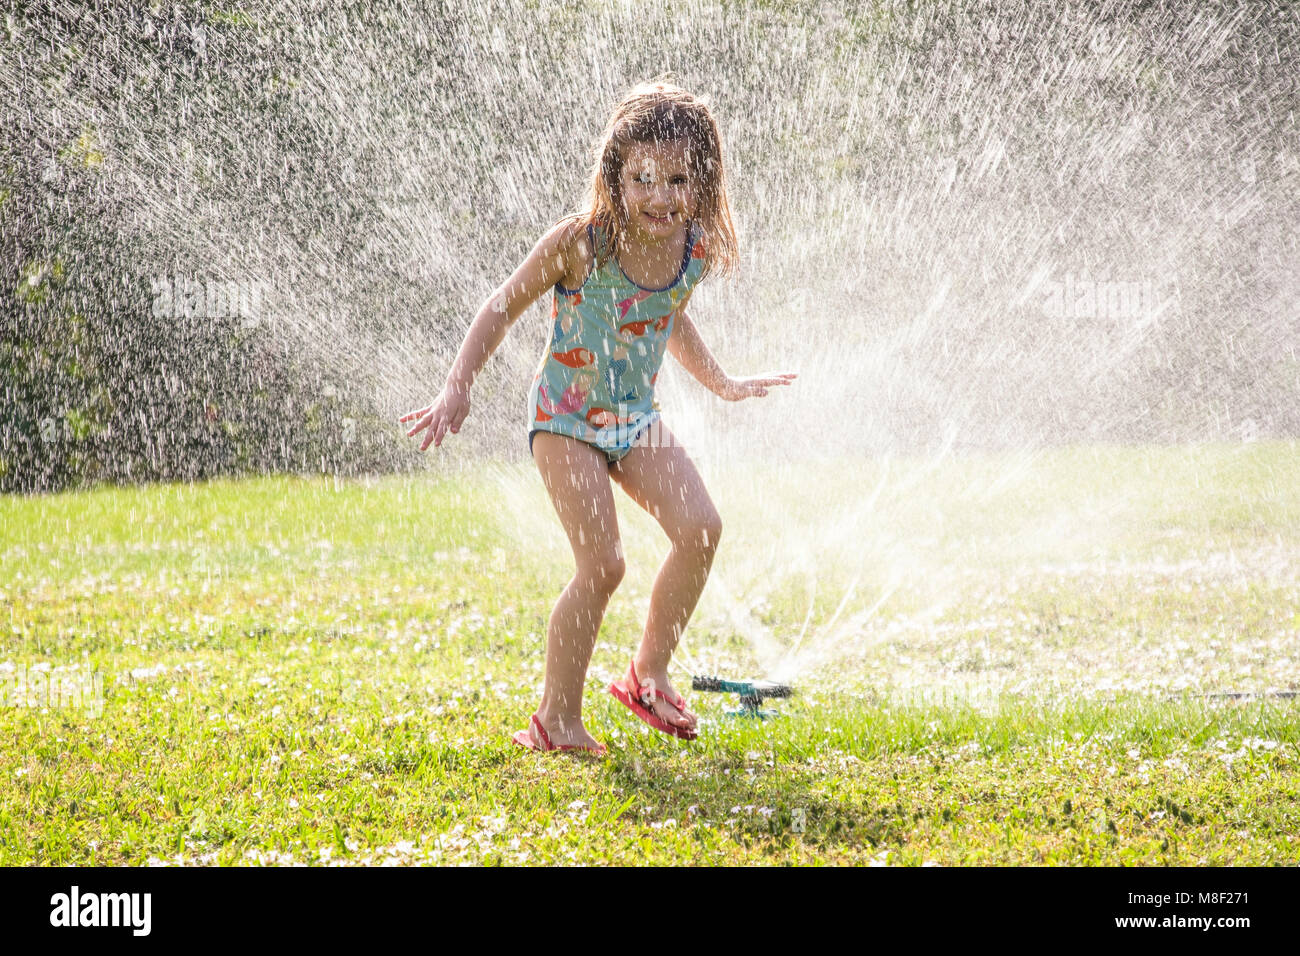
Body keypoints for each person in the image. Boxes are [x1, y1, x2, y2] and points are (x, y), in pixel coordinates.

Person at [400, 78, 796, 755]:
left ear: (704, 182)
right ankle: (555, 719)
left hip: (633, 420)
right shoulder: (583, 244)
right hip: (565, 420)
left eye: (678, 179)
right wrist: (456, 386)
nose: (660, 196)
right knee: (603, 566)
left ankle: (649, 671)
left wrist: (722, 382)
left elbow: (669, 319)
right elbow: (501, 305)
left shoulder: (692, 250)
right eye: (642, 177)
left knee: (701, 528)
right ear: (614, 176)